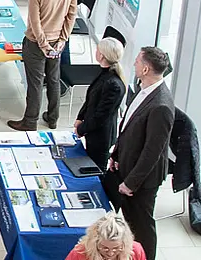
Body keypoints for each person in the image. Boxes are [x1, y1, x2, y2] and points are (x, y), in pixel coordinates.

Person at [103, 47, 175, 260]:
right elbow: (127, 128)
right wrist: (116, 156)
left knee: (141, 225)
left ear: (145, 68)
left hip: (141, 180)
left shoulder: (161, 105)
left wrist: (131, 183)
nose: (132, 64)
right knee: (127, 218)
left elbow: (153, 152)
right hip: (125, 165)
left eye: (136, 61)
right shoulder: (142, 89)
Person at [8, 0, 78, 132]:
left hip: (36, 44)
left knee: (35, 83)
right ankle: (53, 118)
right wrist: (63, 39)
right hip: (57, 43)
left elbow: (35, 21)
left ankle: (30, 120)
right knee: (54, 80)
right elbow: (71, 14)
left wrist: (43, 44)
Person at [74, 37, 126, 171]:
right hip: (92, 131)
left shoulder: (113, 84)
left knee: (96, 169)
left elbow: (100, 116)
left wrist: (81, 129)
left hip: (100, 136)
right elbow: (90, 99)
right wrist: (80, 118)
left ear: (102, 55)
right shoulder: (104, 74)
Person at [66, 211, 148, 260]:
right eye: (105, 248)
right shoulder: (79, 253)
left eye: (116, 248)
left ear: (125, 242)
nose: (110, 253)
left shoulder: (136, 251)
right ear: (94, 241)